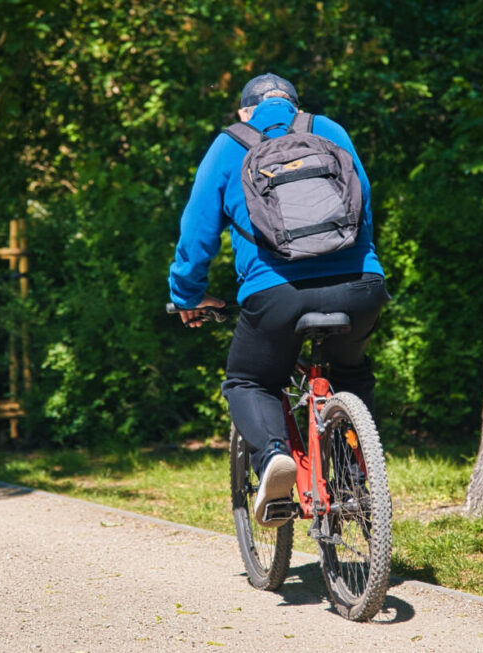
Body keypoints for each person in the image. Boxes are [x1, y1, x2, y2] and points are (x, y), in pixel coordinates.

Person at [168, 73, 388, 526]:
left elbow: (197, 233)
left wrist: (187, 295)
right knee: (351, 370)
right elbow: (362, 201)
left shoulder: (230, 144)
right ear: (292, 105)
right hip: (360, 285)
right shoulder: (327, 129)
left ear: (245, 112)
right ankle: (352, 473)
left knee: (249, 381)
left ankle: (272, 458)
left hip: (276, 294)